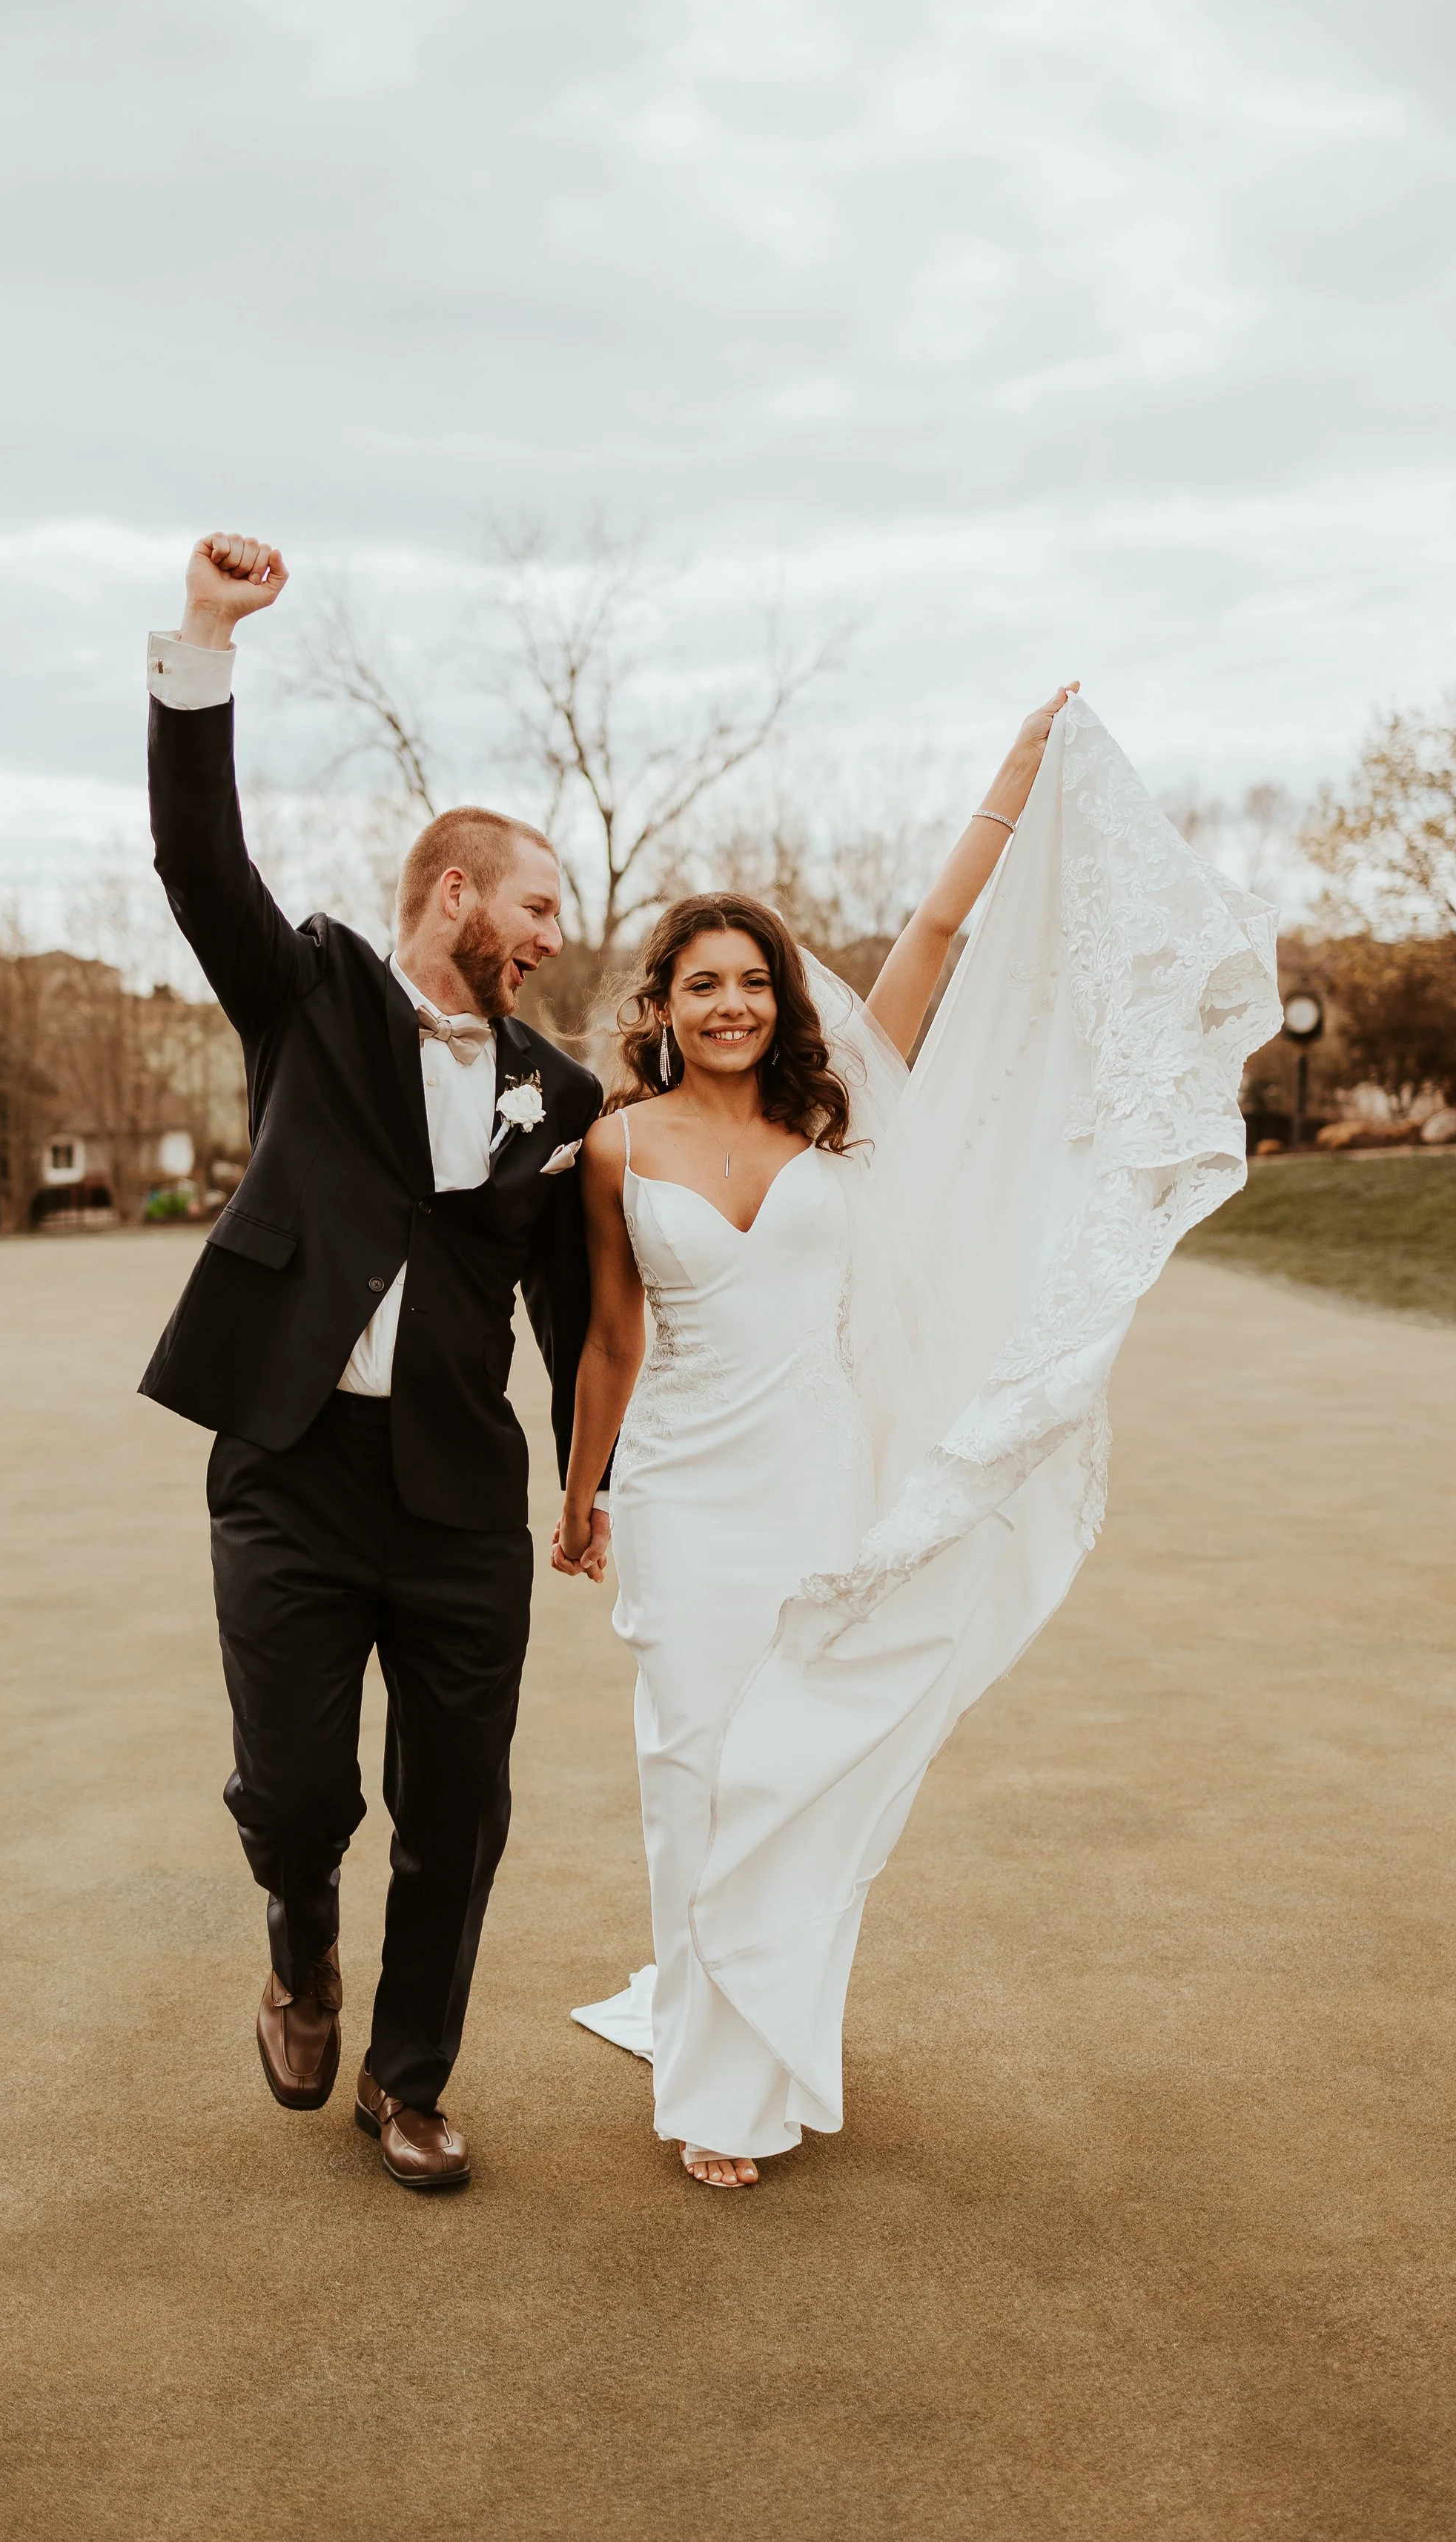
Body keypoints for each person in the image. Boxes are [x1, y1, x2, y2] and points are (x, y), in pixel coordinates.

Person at [553, 684, 1280, 2187]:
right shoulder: (616, 1146)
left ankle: (756, 2029)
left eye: (749, 981)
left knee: (801, 1762)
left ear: (779, 999)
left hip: (819, 1483)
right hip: (683, 1496)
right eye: (699, 985)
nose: (729, 1006)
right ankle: (711, 2088)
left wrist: (1015, 771)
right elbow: (611, 1339)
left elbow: (935, 941)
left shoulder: (836, 1119)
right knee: (692, 1769)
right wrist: (582, 1496)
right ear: (661, 1007)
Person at [140, 531, 606, 2193]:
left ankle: (406, 2083)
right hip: (287, 1470)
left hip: (458, 1503)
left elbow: (572, 1312)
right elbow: (201, 864)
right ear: (458, 893)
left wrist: (591, 1480)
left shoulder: (558, 1100)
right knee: (294, 1793)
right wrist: (206, 635)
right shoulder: (315, 993)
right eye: (541, 902)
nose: (555, 935)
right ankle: (295, 1942)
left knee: (459, 1812)